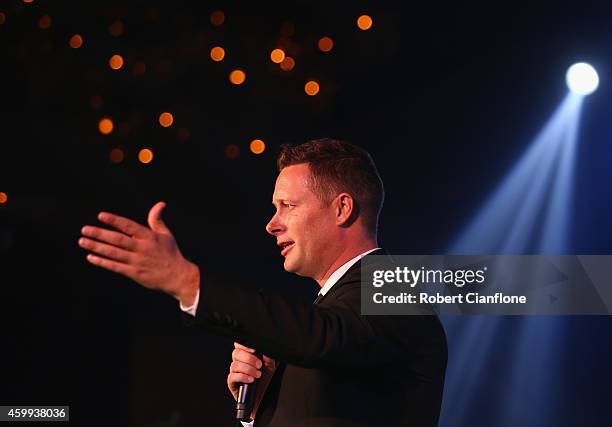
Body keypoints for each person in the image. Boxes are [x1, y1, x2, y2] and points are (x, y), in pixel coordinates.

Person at [78, 138, 447, 426]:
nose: (272, 224)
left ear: (342, 208)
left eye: (288, 206)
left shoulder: (395, 288)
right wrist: (261, 408)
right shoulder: (331, 313)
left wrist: (187, 282)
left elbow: (324, 337)